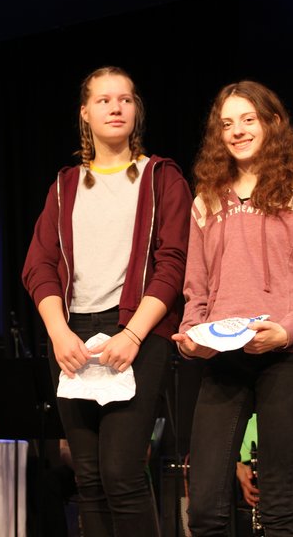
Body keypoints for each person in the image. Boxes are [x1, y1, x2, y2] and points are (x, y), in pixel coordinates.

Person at [23, 66, 191, 536]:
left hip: (136, 329)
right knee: (89, 476)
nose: (116, 108)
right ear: (85, 113)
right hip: (71, 335)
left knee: (121, 472)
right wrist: (58, 332)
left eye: (125, 99)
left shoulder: (161, 177)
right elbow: (39, 265)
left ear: (137, 109)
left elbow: (173, 264)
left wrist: (133, 334)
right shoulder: (65, 185)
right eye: (103, 100)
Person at [173, 80, 293, 536]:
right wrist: (192, 335)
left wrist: (287, 331)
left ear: (272, 123)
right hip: (224, 359)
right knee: (204, 508)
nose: (237, 131)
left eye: (248, 119)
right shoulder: (206, 201)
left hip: (285, 356)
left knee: (278, 501)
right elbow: (196, 291)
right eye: (227, 123)